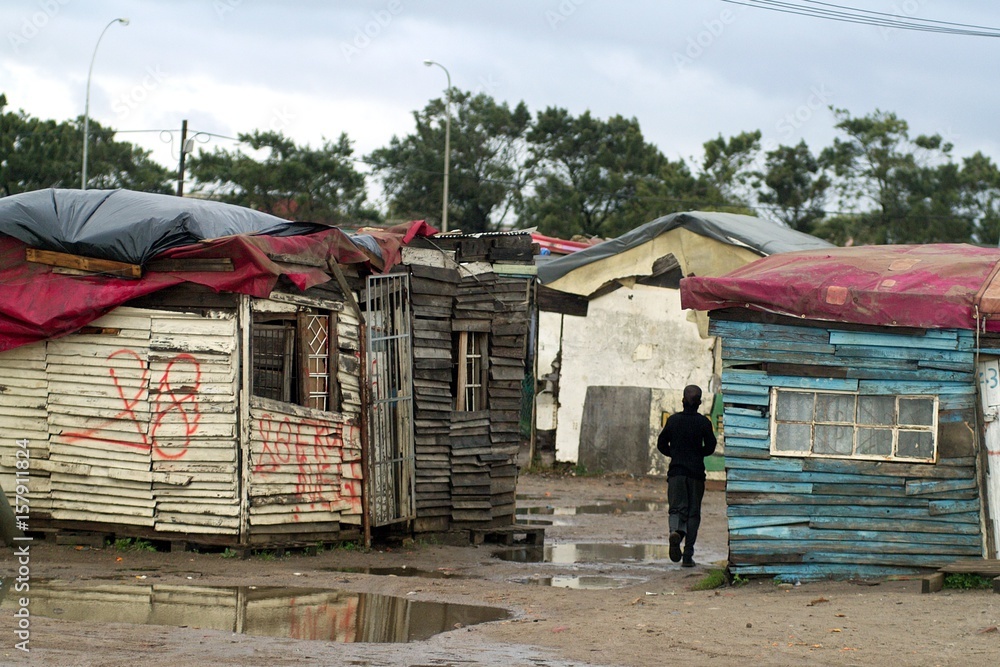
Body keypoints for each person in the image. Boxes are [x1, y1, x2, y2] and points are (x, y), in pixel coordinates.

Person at [656, 384, 717, 567]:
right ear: (699, 403)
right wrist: (698, 454)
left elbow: (661, 444)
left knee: (676, 509)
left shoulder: (673, 420)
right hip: (696, 474)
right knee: (693, 514)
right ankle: (688, 556)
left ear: (683, 400)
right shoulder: (704, 423)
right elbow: (711, 447)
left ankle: (675, 531)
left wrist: (674, 454)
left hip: (677, 473)